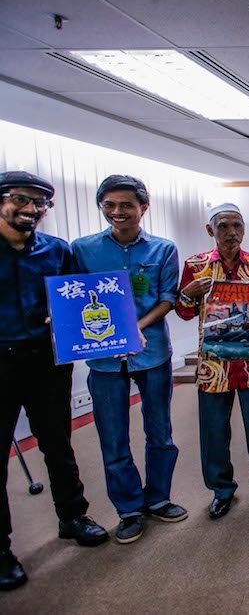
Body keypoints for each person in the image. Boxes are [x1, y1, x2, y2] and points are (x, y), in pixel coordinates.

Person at [0, 172, 108, 591]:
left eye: (41, 204)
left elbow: (82, 298)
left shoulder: (56, 251)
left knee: (58, 446)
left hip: (47, 362)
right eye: (22, 200)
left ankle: (73, 517)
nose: (31, 210)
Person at [71, 175, 187, 544]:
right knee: (113, 438)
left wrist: (135, 328)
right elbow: (71, 299)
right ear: (101, 207)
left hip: (150, 353)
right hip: (103, 359)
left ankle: (158, 498)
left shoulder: (162, 249)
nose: (117, 212)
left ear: (143, 207)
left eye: (126, 205)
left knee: (161, 433)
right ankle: (129, 509)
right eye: (109, 205)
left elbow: (168, 297)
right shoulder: (82, 249)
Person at [175, 203, 249, 520]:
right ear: (211, 230)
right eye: (223, 226)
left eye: (237, 225)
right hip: (215, 364)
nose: (231, 232)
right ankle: (221, 490)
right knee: (214, 431)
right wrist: (188, 293)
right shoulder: (195, 266)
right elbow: (183, 312)